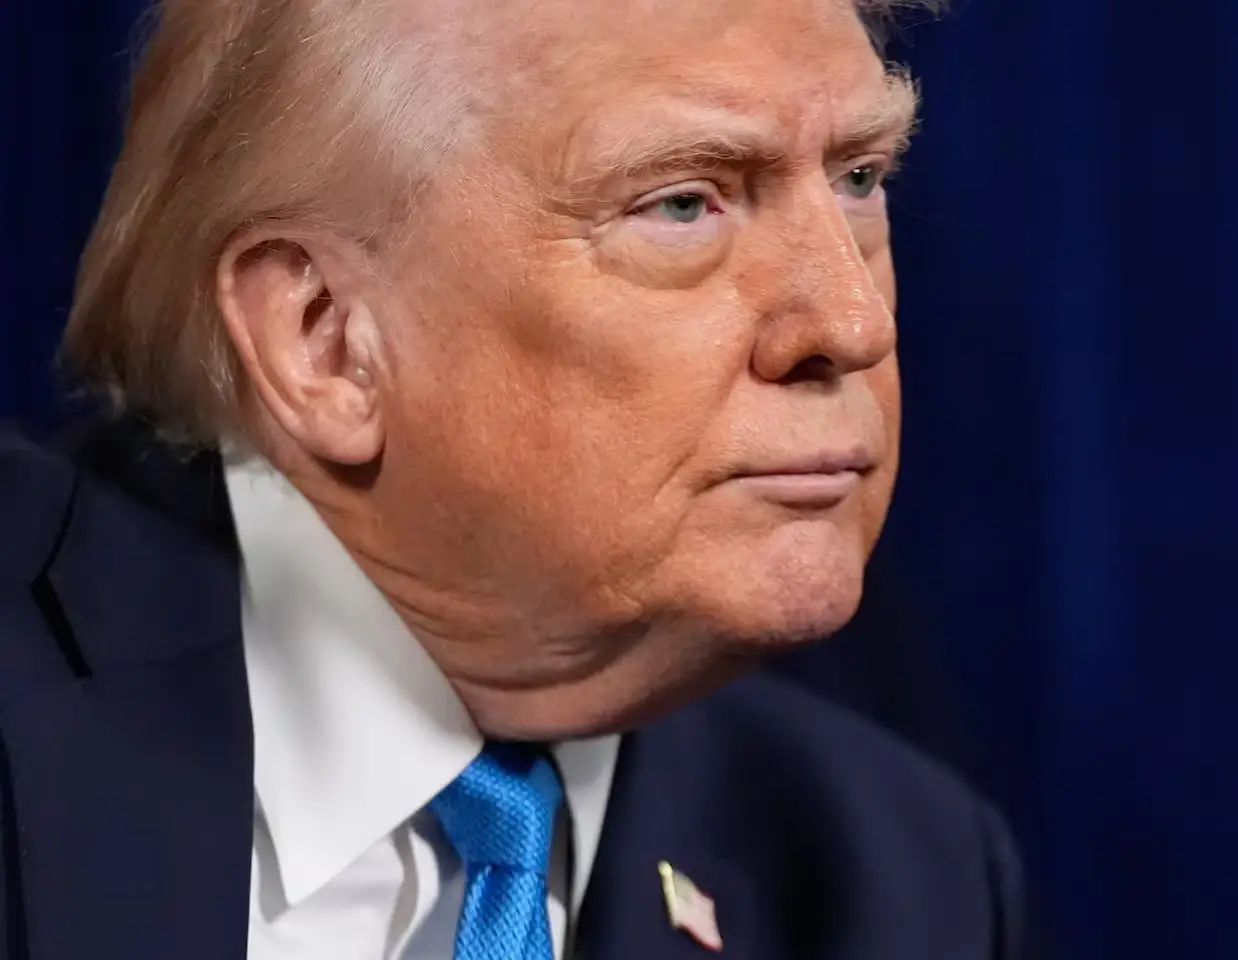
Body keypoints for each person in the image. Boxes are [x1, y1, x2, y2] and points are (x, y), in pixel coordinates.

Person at [0, 0, 1025, 957]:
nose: (853, 325)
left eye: (859, 179)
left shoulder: (904, 880)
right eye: (683, 203)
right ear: (325, 340)